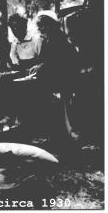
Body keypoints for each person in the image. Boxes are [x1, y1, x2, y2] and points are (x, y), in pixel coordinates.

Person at [30, 10, 80, 140]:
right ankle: (54, 131)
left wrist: (42, 67)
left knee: (58, 101)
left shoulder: (59, 39)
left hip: (64, 77)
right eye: (39, 26)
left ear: (51, 25)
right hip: (55, 77)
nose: (40, 28)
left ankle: (67, 131)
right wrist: (39, 66)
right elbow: (45, 60)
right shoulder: (48, 40)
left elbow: (60, 62)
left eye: (43, 25)